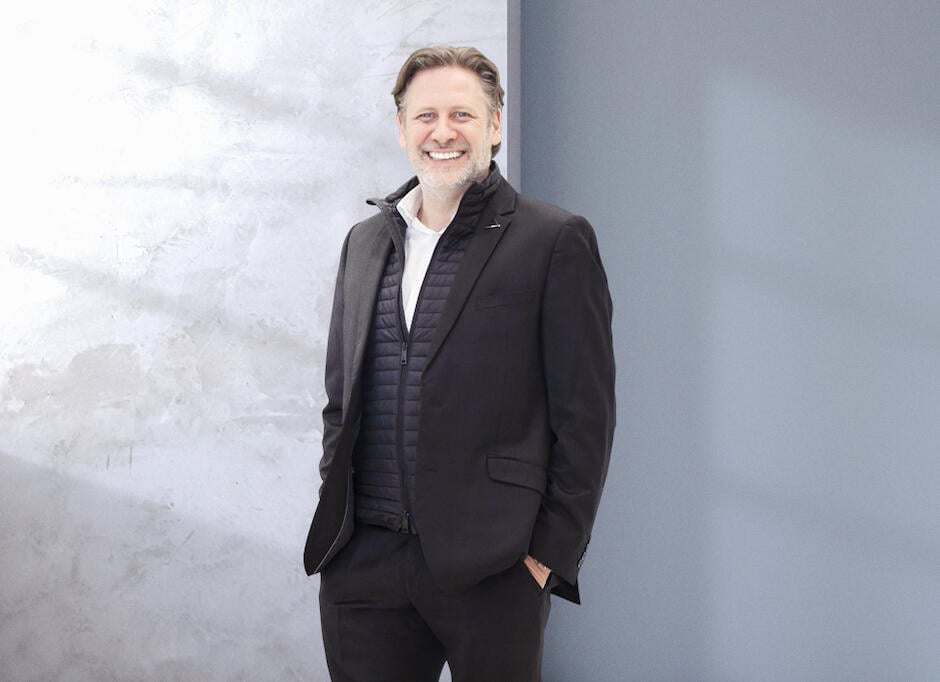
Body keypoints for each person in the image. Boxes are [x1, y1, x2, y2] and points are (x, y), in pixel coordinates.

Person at [303, 45, 615, 682]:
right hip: (364, 565)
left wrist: (546, 558)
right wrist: (341, 535)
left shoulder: (553, 239)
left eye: (462, 115)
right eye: (425, 116)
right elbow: (342, 400)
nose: (442, 132)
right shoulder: (364, 244)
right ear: (402, 129)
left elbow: (586, 418)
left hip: (496, 568)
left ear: (494, 126)